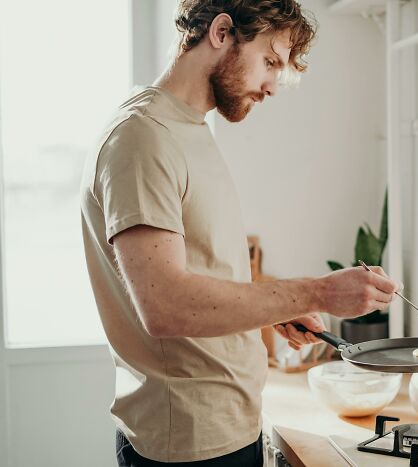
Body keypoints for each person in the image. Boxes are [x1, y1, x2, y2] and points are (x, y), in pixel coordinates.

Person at [79, 1, 400, 465]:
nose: (273, 85)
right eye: (269, 61)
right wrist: (318, 292)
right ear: (221, 32)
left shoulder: (187, 129)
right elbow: (165, 305)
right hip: (187, 444)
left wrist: (271, 311)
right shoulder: (143, 138)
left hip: (226, 428)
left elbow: (200, 271)